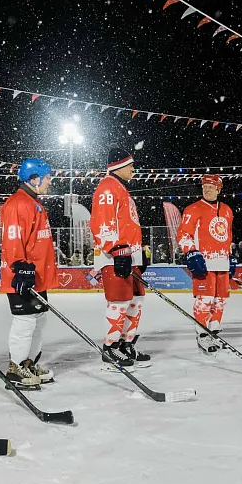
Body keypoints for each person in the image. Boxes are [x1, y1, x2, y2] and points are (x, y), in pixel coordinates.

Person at [89, 147, 151, 369]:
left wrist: (140, 252)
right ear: (119, 166)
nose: (134, 169)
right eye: (131, 165)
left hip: (128, 255)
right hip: (114, 257)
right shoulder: (107, 187)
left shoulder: (121, 189)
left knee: (136, 299)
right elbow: (101, 223)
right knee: (119, 301)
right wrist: (116, 249)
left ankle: (126, 344)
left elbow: (129, 224)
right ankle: (110, 348)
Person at [0, 158, 58, 389]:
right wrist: (21, 267)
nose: (49, 181)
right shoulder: (18, 204)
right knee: (25, 322)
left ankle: (29, 363)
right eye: (46, 177)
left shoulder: (34, 203)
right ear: (34, 179)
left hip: (37, 276)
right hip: (22, 276)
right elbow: (12, 238)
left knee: (39, 321)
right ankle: (16, 368)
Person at [177, 174, 236, 354]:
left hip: (222, 262)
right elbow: (183, 234)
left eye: (211, 186)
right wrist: (191, 252)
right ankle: (202, 334)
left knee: (220, 301)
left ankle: (215, 331)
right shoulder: (193, 209)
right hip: (204, 262)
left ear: (218, 189)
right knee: (205, 301)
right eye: (204, 186)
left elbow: (227, 236)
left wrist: (231, 255)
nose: (207, 189)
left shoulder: (226, 210)